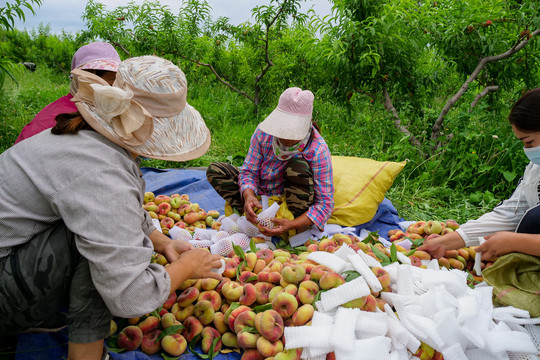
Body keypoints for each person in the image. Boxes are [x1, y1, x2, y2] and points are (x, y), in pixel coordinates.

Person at [0, 55, 222, 360]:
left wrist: (161, 240)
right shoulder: (103, 173)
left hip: (13, 251)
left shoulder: (81, 136)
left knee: (102, 233)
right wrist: (186, 268)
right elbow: (130, 297)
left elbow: (107, 202)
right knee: (101, 252)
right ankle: (86, 355)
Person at [419, 87, 540, 316]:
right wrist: (452, 241)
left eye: (529, 142)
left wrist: (516, 242)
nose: (527, 150)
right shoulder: (536, 169)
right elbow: (512, 212)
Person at [207, 87, 334, 237]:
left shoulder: (317, 150)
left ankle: (290, 227)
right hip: (261, 196)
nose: (284, 136)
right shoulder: (263, 134)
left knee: (298, 166)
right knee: (216, 170)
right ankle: (254, 215)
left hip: (291, 205)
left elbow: (325, 204)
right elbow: (249, 172)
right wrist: (249, 195)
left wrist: (292, 223)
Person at [14, 41, 121, 144]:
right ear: (86, 80)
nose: (117, 90)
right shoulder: (75, 118)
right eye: (111, 84)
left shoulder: (77, 107)